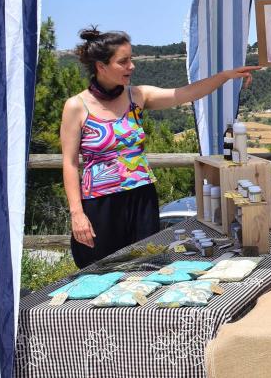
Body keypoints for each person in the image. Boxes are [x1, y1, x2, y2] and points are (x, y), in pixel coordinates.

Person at [60, 27, 260, 268]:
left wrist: (225, 76)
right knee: (98, 272)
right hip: (100, 205)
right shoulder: (76, 106)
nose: (131, 66)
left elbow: (185, 94)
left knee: (146, 268)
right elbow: (70, 164)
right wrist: (77, 214)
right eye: (123, 61)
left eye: (131, 58)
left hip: (141, 198)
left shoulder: (138, 96)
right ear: (101, 67)